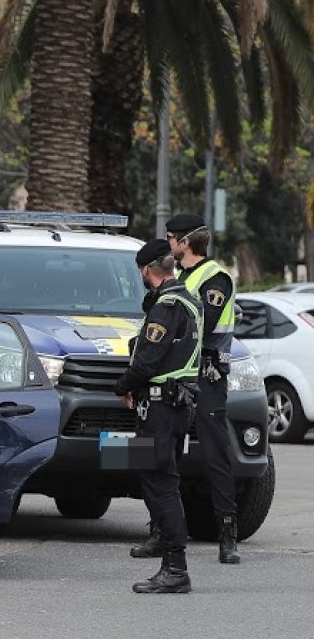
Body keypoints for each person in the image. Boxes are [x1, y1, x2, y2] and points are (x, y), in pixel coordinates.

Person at [139, 213, 238, 564]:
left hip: (207, 376)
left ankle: (227, 536)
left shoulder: (216, 278)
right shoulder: (176, 277)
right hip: (176, 377)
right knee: (159, 454)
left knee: (216, 454)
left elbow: (202, 321)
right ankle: (159, 532)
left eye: (170, 238)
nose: (167, 245)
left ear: (184, 242)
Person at [113, 239, 203, 594]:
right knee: (155, 476)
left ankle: (175, 568)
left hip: (161, 408)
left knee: (161, 482)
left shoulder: (166, 306)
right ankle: (164, 548)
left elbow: (148, 360)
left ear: (148, 271)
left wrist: (121, 385)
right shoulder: (189, 300)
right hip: (174, 406)